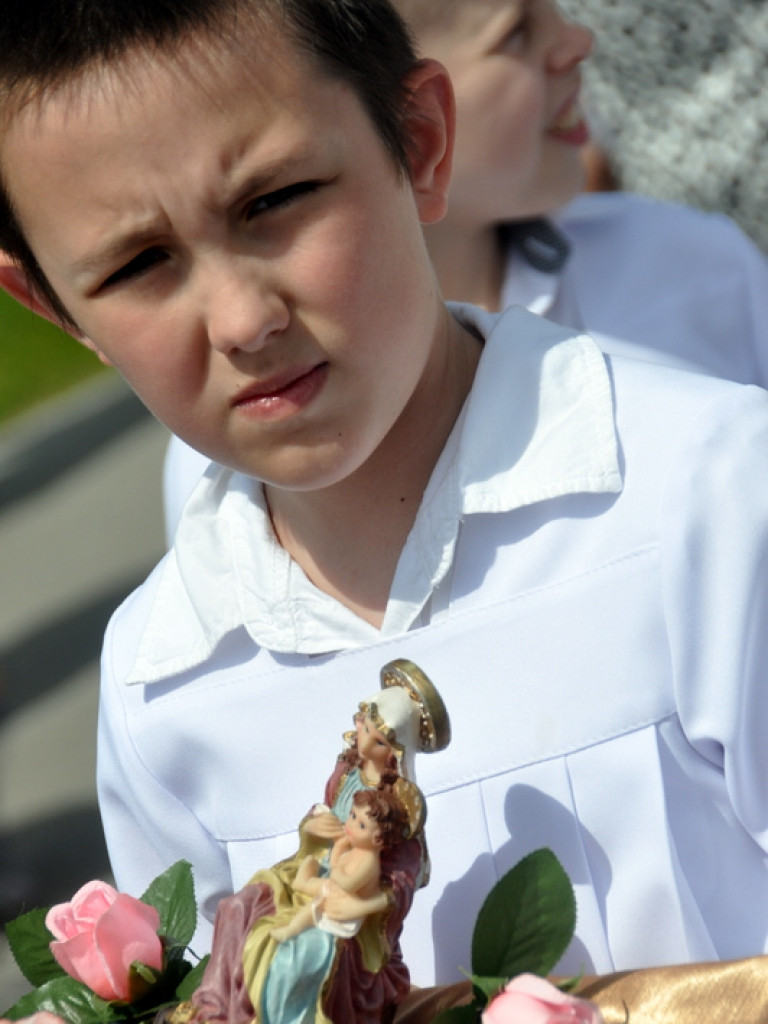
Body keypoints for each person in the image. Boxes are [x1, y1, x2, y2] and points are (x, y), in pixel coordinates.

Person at [1, 0, 768, 997]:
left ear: (421, 140)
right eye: (139, 263)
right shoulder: (162, 681)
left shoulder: (711, 499)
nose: (242, 320)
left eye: (276, 199)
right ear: (53, 305)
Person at [161, 0, 768, 539]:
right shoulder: (228, 454)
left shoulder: (691, 264)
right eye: (516, 32)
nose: (576, 41)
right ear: (417, 127)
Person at [185, 665, 446, 1024]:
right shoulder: (346, 771)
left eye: (379, 741)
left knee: (294, 952)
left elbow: (402, 879)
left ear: (396, 752)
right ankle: (214, 1008)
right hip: (309, 866)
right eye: (364, 728)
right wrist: (312, 828)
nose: (365, 742)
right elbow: (324, 815)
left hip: (352, 901)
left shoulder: (398, 807)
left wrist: (364, 901)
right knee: (237, 906)